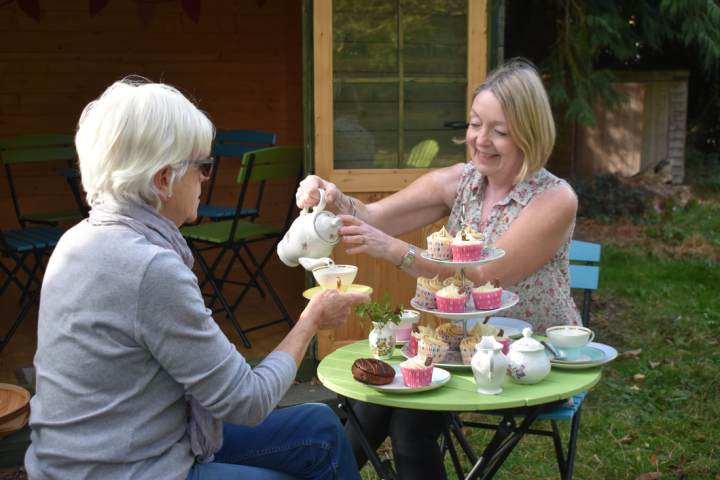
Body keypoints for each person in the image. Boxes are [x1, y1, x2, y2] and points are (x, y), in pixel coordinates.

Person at [25, 78, 369, 480]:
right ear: (162, 179)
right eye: (203, 166)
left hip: (90, 455)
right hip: (120, 470)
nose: (207, 177)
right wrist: (311, 321)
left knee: (319, 427)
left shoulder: (78, 239)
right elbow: (248, 401)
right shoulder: (147, 267)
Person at [295, 59, 581, 479]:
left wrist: (396, 253)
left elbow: (484, 278)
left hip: (529, 357)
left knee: (409, 425)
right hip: (458, 352)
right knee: (373, 402)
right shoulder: (461, 182)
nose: (481, 140)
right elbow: (374, 216)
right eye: (474, 124)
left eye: (499, 131)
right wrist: (335, 199)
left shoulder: (555, 199)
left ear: (530, 133)